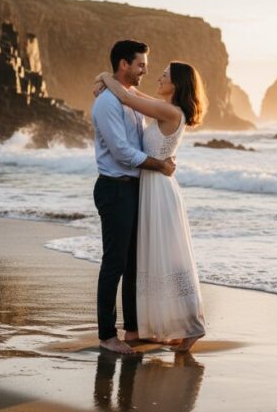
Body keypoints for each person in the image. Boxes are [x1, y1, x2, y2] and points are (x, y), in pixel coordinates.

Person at [95, 60, 208, 352]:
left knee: (168, 258)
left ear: (178, 84)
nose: (158, 77)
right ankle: (168, 325)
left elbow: (127, 97)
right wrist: (111, 81)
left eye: (165, 75)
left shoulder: (170, 111)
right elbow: (135, 96)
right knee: (155, 256)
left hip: (157, 188)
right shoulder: (165, 107)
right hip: (152, 186)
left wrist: (105, 76)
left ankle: (193, 326)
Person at [91, 40, 176, 355]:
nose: (145, 70)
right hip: (115, 187)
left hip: (134, 187)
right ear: (124, 65)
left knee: (132, 263)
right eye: (140, 64)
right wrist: (160, 165)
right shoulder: (107, 104)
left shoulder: (127, 99)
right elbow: (122, 152)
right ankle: (106, 334)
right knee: (114, 262)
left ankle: (133, 329)